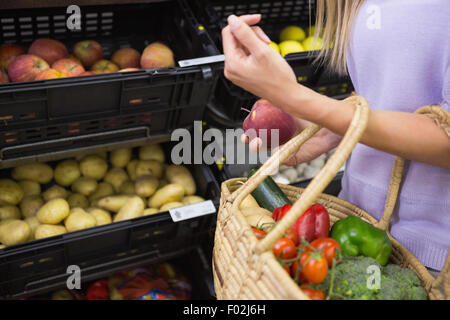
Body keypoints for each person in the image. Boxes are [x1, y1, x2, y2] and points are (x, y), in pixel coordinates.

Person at [221, 1, 450, 271]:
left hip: (433, 256)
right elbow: (388, 93)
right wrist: (326, 129)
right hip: (351, 222)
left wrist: (296, 97)